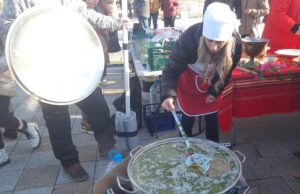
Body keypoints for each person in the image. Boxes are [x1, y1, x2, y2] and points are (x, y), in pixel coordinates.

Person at [0, 0, 127, 182]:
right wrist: (33, 32)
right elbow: (5, 26)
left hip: (71, 59)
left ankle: (106, 144)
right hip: (40, 66)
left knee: (96, 104)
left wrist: (115, 23)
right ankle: (69, 161)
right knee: (56, 117)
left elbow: (85, 14)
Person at [161, 2, 242, 142]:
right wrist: (168, 95)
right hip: (189, 83)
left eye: (219, 43)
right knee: (187, 120)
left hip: (211, 81)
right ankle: (184, 151)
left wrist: (214, 91)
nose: (214, 47)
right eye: (209, 41)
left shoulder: (236, 45)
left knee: (212, 119)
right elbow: (171, 69)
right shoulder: (190, 38)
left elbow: (226, 72)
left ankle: (213, 153)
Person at [0, 37, 42, 167]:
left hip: (1, 76)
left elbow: (11, 53)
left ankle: (27, 128)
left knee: (2, 117)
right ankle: (1, 151)